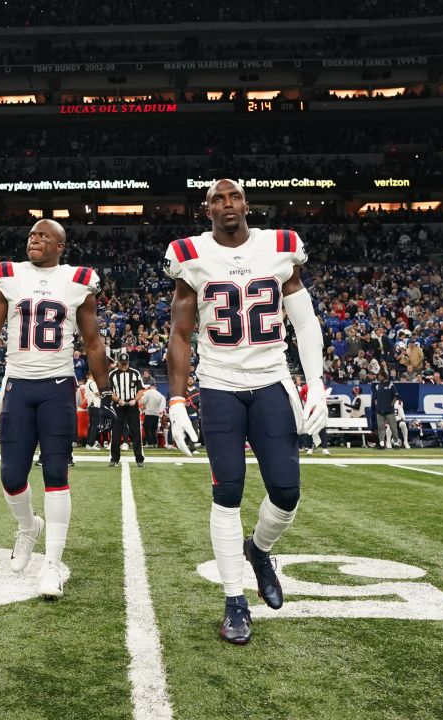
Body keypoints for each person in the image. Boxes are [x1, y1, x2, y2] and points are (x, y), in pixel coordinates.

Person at [163, 179, 328, 645]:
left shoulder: (280, 246)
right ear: (206, 209)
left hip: (272, 379)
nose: (227, 203)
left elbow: (304, 321)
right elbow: (180, 334)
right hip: (219, 384)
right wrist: (177, 399)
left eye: (234, 196)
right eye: (218, 198)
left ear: (246, 204)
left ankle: (259, 550)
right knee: (227, 491)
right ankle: (234, 601)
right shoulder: (189, 255)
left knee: (287, 491)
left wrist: (314, 383)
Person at [0, 219, 112, 600]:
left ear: (60, 245)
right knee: (11, 476)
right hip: (17, 385)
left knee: (56, 473)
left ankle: (52, 563)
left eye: (44, 235)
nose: (35, 238)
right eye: (32, 233)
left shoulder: (77, 280)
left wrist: (107, 393)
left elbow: (93, 342)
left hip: (58, 386)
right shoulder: (9, 275)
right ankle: (28, 526)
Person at [108, 353, 146, 467]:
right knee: (116, 432)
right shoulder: (112, 374)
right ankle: (114, 458)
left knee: (136, 432)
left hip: (131, 404)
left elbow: (140, 390)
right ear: (118, 362)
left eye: (125, 364)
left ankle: (139, 459)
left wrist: (135, 400)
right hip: (118, 405)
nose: (124, 366)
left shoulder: (135, 373)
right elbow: (109, 391)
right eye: (122, 364)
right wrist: (117, 399)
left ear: (128, 362)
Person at [371, 372, 398, 449]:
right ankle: (382, 443)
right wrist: (377, 406)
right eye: (379, 376)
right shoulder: (377, 386)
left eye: (380, 376)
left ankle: (396, 442)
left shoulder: (390, 385)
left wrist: (391, 405)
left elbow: (395, 396)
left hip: (389, 411)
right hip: (379, 411)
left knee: (393, 427)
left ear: (384, 377)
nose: (379, 378)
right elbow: (375, 398)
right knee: (381, 427)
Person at [138, 375, 166, 449]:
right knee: (154, 429)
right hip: (156, 413)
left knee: (147, 428)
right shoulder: (160, 394)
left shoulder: (148, 392)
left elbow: (143, 401)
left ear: (150, 386)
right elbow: (162, 405)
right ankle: (155, 443)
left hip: (149, 413)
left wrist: (143, 404)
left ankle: (150, 443)